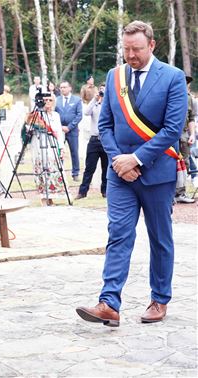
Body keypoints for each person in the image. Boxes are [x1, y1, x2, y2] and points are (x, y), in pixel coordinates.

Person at [76, 21, 187, 327]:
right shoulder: (114, 76)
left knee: (159, 238)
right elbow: (106, 126)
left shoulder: (173, 78)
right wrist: (118, 161)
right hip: (120, 176)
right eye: (126, 49)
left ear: (152, 45)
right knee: (118, 236)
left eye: (136, 49)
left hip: (156, 174)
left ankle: (159, 298)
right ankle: (109, 303)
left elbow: (172, 129)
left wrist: (136, 159)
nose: (131, 55)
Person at [28, 95, 66, 206]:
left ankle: (51, 197)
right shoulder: (37, 115)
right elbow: (29, 128)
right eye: (45, 100)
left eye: (50, 100)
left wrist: (61, 147)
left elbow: (59, 132)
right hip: (39, 145)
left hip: (52, 145)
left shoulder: (56, 115)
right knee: (42, 169)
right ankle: (44, 198)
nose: (48, 102)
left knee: (52, 170)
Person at [76, 83, 108, 200]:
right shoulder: (95, 104)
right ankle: (82, 192)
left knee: (106, 167)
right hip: (94, 140)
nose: (102, 93)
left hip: (106, 140)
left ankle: (105, 190)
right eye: (101, 90)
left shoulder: (110, 105)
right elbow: (86, 112)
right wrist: (95, 98)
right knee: (89, 167)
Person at [173, 76, 196, 204]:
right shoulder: (169, 96)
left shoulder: (188, 98)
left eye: (186, 83)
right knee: (170, 163)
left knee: (185, 163)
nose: (185, 85)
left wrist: (192, 134)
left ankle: (180, 193)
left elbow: (191, 117)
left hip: (184, 134)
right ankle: (169, 193)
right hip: (170, 135)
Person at [55, 81, 83, 181]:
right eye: (61, 87)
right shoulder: (56, 100)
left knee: (74, 152)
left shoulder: (76, 100)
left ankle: (75, 173)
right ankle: (59, 173)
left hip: (72, 130)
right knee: (59, 152)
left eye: (65, 87)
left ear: (70, 88)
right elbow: (53, 114)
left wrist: (70, 127)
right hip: (59, 130)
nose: (63, 89)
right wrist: (60, 127)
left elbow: (79, 115)